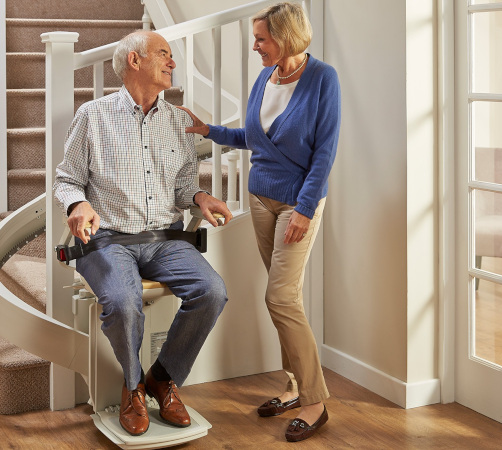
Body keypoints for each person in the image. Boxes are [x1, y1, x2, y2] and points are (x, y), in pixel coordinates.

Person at [53, 30, 233, 437]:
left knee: (212, 291)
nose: (172, 63)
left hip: (163, 240)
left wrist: (201, 197)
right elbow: (66, 180)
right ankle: (133, 385)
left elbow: (186, 182)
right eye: (163, 55)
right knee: (122, 300)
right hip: (108, 239)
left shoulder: (178, 121)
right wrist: (77, 204)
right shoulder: (93, 116)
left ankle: (163, 378)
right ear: (135, 61)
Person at [180, 2, 340, 443]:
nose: (255, 47)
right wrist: (207, 129)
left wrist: (305, 209)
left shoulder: (322, 78)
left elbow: (324, 153)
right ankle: (292, 386)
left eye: (261, 39)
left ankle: (315, 401)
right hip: (260, 199)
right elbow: (253, 139)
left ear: (286, 37)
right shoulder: (264, 79)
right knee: (283, 299)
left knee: (280, 298)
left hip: (297, 204)